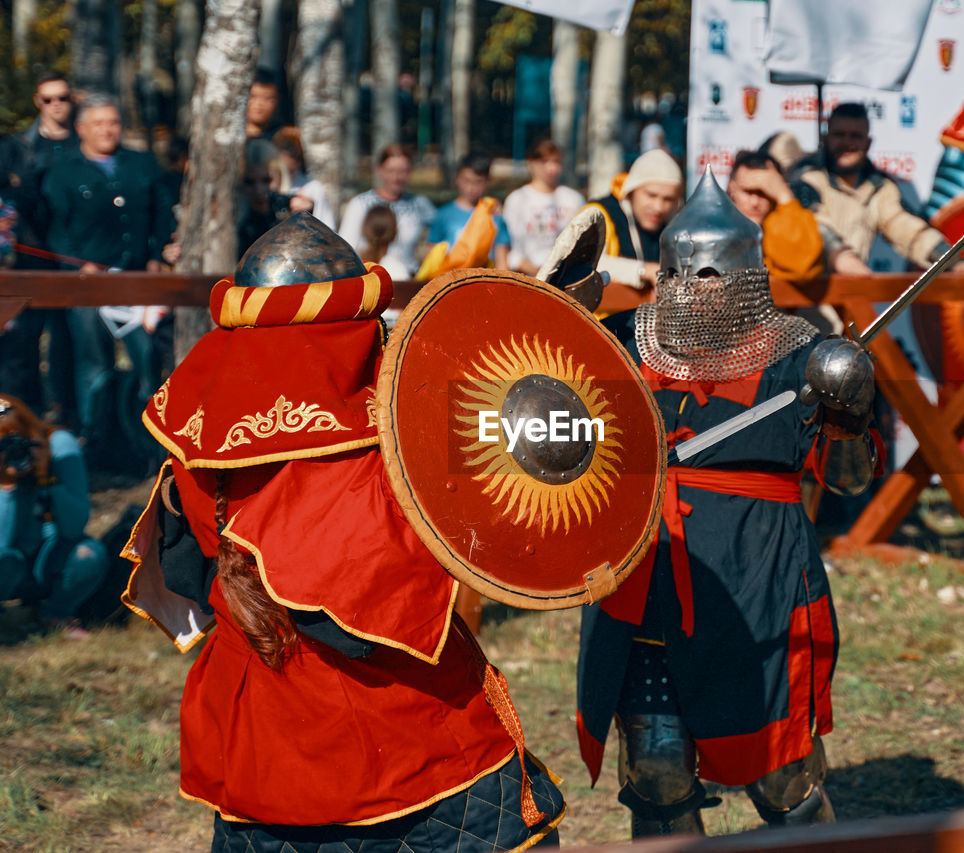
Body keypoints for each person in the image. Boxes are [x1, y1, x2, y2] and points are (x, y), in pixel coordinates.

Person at [120, 213, 565, 850]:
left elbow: (187, 566)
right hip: (402, 729)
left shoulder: (198, 427)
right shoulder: (388, 437)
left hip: (255, 734)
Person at [577, 171, 877, 836]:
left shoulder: (798, 354)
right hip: (646, 576)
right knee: (656, 769)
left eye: (712, 274)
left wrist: (850, 413)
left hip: (759, 579)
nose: (696, 287)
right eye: (682, 274)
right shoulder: (623, 338)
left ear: (747, 274)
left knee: (784, 776)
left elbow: (848, 478)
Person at [40, 93, 174, 467]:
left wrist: (155, 255)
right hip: (88, 284)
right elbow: (54, 228)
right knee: (93, 362)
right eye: (98, 123)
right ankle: (95, 441)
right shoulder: (63, 172)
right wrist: (77, 266)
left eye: (113, 122)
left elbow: (162, 214)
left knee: (146, 359)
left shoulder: (142, 165)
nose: (107, 130)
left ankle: (153, 446)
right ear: (81, 128)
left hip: (136, 282)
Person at [793, 102, 964, 283]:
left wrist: (953, 262)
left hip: (846, 307)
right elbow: (812, 225)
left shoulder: (879, 189)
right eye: (839, 135)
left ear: (869, 143)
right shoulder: (805, 180)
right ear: (826, 138)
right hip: (799, 307)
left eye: (855, 136)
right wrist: (839, 256)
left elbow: (906, 229)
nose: (847, 143)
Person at [0, 71, 79, 425]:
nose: (56, 105)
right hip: (27, 260)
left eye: (62, 97)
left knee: (70, 343)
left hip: (74, 260)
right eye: (48, 99)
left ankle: (71, 418)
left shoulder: (84, 144)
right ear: (37, 101)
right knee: (24, 345)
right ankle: (24, 417)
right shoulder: (17, 147)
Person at [0, 394, 106, 636]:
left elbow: (74, 528)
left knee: (89, 554)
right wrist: (7, 485)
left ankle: (57, 613)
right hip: (10, 563)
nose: (14, 451)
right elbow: (2, 544)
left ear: (32, 429)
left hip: (51, 557)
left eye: (19, 439)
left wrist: (47, 478)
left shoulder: (59, 446)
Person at [583, 148, 682, 290]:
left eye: (668, 199)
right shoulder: (596, 214)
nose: (658, 207)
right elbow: (585, 265)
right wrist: (642, 270)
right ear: (632, 189)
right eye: (651, 195)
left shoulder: (674, 225)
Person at [726, 149, 825, 289]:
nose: (755, 202)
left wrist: (784, 196)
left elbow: (802, 267)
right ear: (732, 189)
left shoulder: (780, 223)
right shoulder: (714, 229)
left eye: (763, 193)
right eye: (748, 192)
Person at [338, 143, 435, 276]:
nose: (396, 177)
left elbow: (441, 234)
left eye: (403, 171)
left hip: (408, 280)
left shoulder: (420, 204)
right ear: (379, 170)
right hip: (371, 279)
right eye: (391, 171)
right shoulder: (360, 204)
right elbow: (345, 250)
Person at [504, 139, 586, 275]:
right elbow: (510, 249)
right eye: (544, 162)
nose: (551, 168)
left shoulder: (573, 199)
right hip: (527, 276)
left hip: (564, 276)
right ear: (531, 163)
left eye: (556, 162)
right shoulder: (517, 199)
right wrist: (538, 274)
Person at [427, 153, 510, 268]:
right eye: (466, 180)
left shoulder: (495, 216)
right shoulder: (443, 215)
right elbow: (431, 258)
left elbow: (502, 261)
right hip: (449, 281)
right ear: (457, 178)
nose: (470, 188)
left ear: (487, 182)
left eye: (478, 182)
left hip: (484, 280)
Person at [270, 126, 336, 229]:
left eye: (290, 170)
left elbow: (328, 229)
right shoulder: (265, 186)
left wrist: (309, 212)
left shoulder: (312, 188)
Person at [237, 139, 292, 254]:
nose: (258, 190)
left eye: (266, 180)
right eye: (249, 182)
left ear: (281, 177)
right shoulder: (233, 226)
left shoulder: (296, 213)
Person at [245, 69, 281, 140]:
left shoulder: (281, 139)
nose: (259, 104)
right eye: (253, 97)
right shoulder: (228, 137)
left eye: (267, 98)